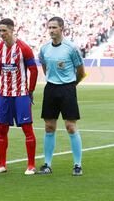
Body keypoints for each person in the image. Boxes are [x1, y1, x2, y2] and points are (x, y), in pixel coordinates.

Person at [37, 16, 85, 176]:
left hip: (67, 89)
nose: (51, 30)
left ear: (61, 28)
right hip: (51, 89)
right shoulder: (44, 49)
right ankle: (47, 164)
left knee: (70, 126)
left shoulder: (71, 48)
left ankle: (77, 164)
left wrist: (71, 85)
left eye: (54, 27)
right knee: (49, 126)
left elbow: (81, 72)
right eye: (49, 27)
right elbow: (44, 67)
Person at [0, 18, 38, 175]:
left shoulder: (24, 48)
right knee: (2, 129)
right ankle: (2, 164)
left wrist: (29, 90)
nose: (1, 34)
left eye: (4, 30)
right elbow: (0, 69)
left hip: (21, 95)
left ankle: (31, 165)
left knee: (27, 128)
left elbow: (33, 70)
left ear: (12, 30)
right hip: (4, 95)